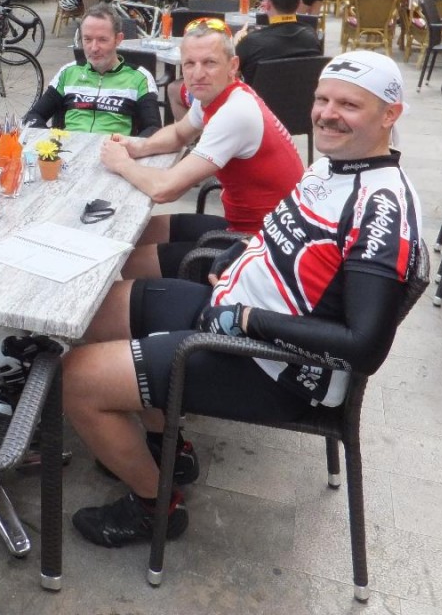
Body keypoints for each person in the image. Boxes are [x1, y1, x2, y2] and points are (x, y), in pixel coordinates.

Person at [65, 50, 422, 547]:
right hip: (229, 314)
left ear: (390, 115)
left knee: (77, 379)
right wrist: (233, 255)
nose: (327, 113)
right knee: (89, 312)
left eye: (349, 105)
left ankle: (155, 506)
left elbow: (364, 345)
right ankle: (165, 443)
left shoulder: (380, 205)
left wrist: (250, 318)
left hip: (275, 365)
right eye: (322, 99)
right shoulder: (333, 167)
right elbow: (279, 237)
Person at [101, 22, 303, 280]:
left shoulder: (235, 112)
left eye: (209, 63)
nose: (198, 74)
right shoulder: (217, 96)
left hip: (263, 246)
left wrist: (121, 163)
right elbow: (178, 134)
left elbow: (165, 189)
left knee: (130, 262)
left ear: (233, 66)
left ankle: (163, 311)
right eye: (189, 64)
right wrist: (138, 147)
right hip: (245, 225)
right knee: (137, 230)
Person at [23, 4, 161, 136]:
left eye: (102, 40)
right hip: (68, 152)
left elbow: (153, 130)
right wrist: (50, 144)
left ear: (118, 39)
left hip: (114, 153)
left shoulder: (140, 77)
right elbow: (33, 116)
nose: (94, 48)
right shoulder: (68, 73)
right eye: (87, 39)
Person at [234, 0, 322, 82]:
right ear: (299, 3)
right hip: (301, 98)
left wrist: (235, 44)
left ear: (268, 4)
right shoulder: (312, 38)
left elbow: (229, 77)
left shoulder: (250, 42)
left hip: (258, 98)